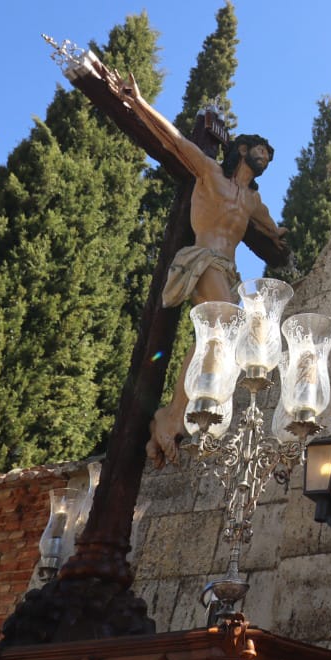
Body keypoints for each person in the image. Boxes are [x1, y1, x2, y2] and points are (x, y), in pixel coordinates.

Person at [111, 69, 291, 467]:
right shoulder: (210, 173)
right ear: (242, 149)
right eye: (261, 150)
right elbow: (174, 142)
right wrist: (137, 102)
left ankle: (175, 413)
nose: (266, 157)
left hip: (227, 270)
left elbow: (269, 230)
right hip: (201, 258)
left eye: (269, 156)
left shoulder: (251, 203)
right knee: (225, 324)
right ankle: (175, 412)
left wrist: (278, 237)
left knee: (221, 339)